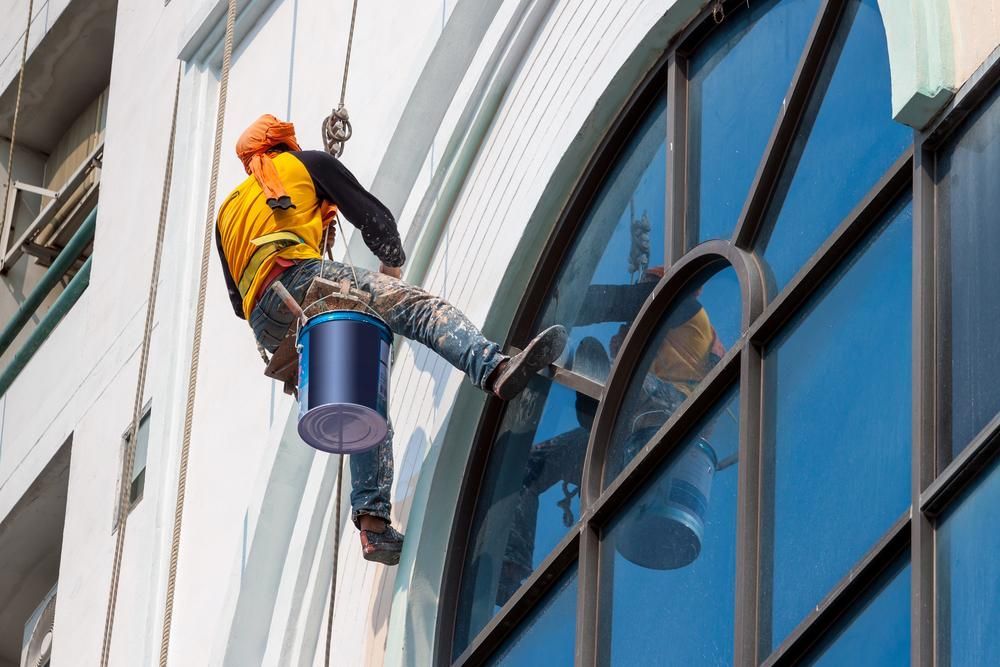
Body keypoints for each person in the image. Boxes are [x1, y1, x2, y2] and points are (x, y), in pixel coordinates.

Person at [215, 115, 567, 565]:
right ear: (285, 144)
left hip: (271, 325)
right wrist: (392, 269)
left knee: (360, 392)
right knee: (418, 308)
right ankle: (495, 368)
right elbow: (374, 219)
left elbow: (234, 298)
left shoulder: (228, 211)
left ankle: (373, 525)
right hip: (303, 280)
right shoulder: (306, 165)